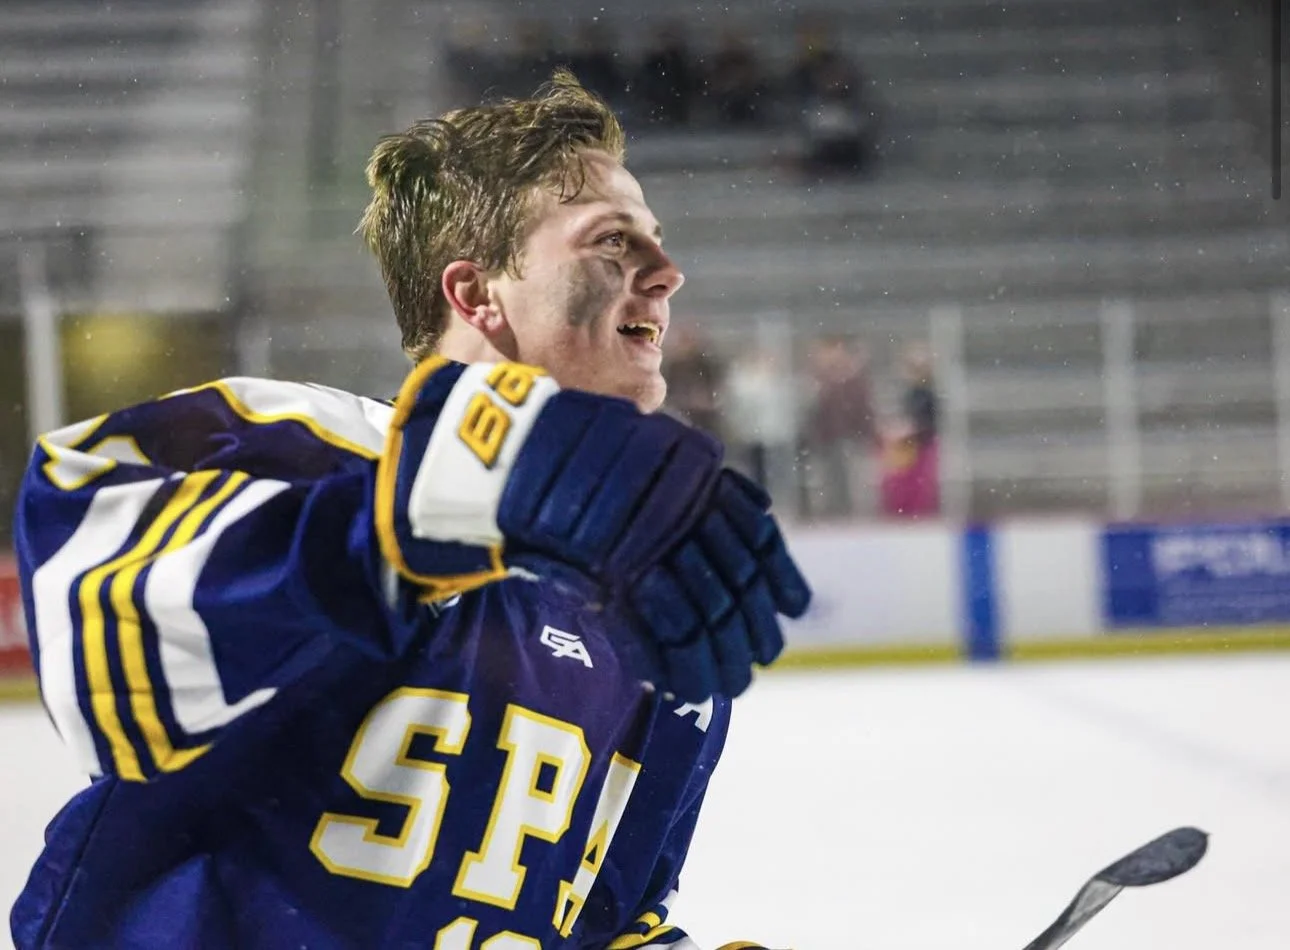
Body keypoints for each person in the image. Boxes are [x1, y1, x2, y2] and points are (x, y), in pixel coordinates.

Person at [11, 73, 809, 950]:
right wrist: (431, 509)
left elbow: (596, 920)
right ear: (476, 296)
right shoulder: (303, 449)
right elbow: (102, 643)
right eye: (611, 243)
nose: (666, 274)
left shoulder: (654, 625)